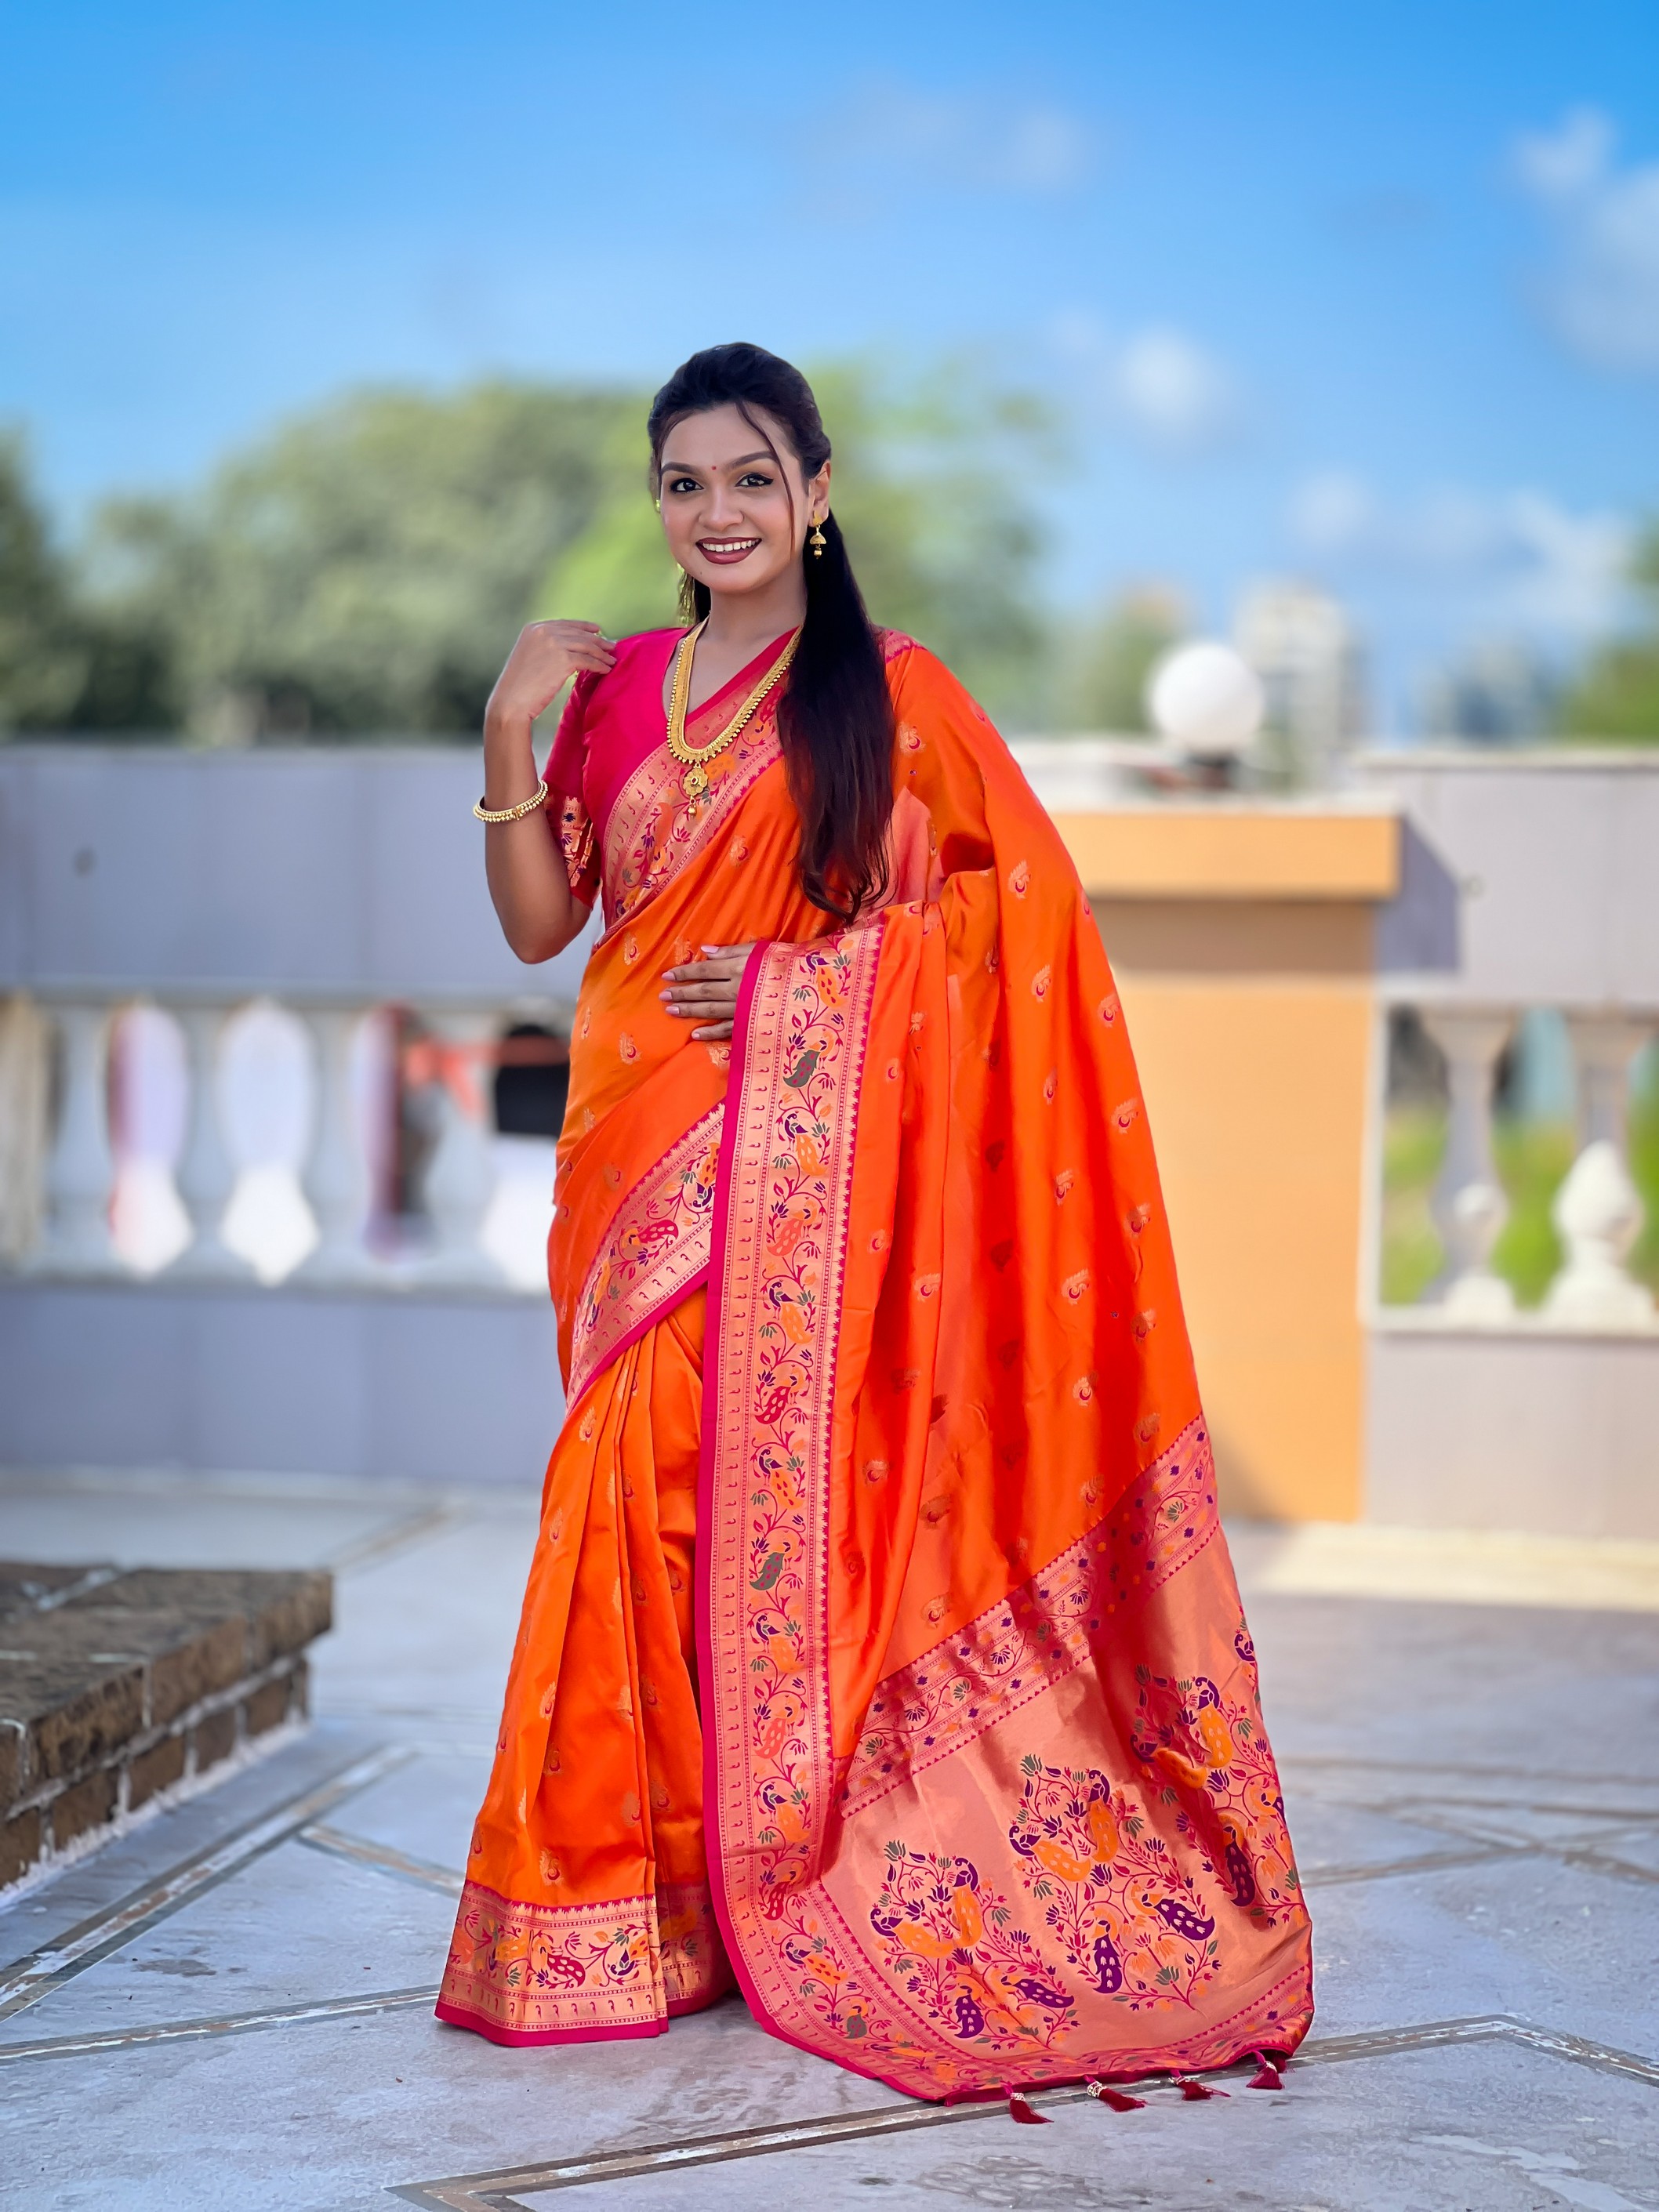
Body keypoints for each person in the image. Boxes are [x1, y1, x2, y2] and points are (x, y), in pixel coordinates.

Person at [437, 342, 1312, 2103]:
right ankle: (635, 1900)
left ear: (816, 494)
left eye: (752, 478)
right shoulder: (618, 691)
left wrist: (806, 990)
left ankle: (706, 1878)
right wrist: (508, 731)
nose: (719, 513)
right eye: (685, 483)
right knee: (633, 1497)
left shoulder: (892, 692)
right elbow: (543, 931)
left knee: (697, 1500)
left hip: (792, 1173)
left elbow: (1022, 920)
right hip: (629, 1152)